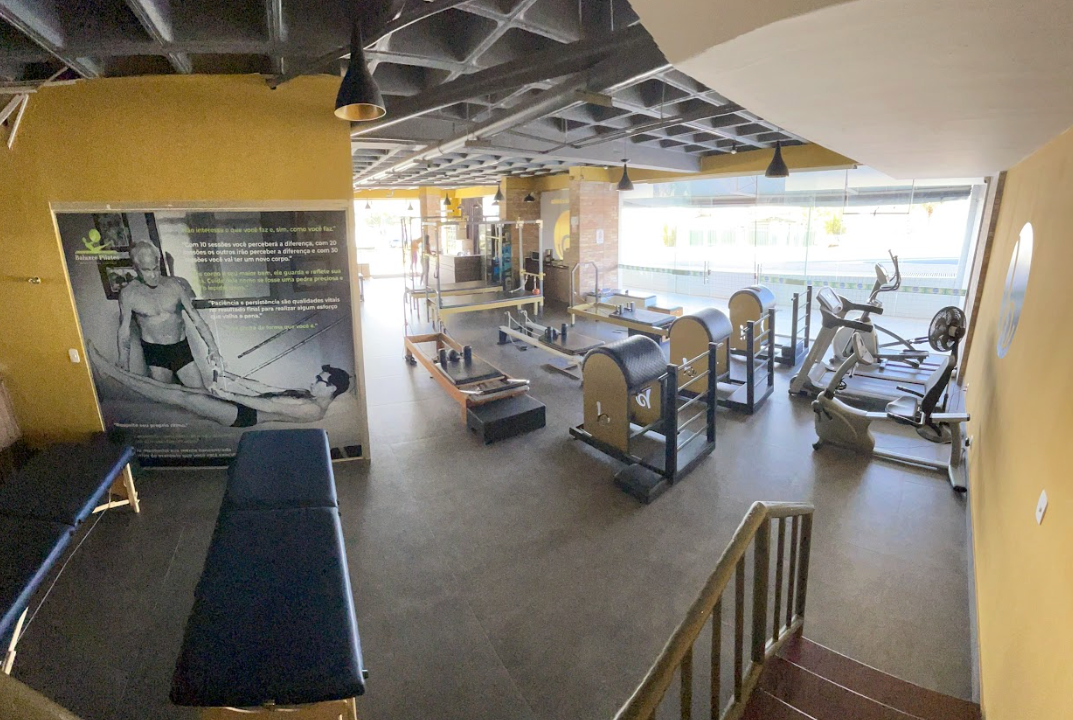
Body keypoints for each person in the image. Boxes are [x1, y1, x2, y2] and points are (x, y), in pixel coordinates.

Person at [89, 344, 350, 428]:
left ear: (331, 389)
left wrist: (227, 394)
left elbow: (268, 405)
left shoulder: (314, 410)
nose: (313, 381)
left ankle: (113, 374)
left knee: (181, 397)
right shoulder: (308, 396)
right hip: (241, 404)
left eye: (320, 380)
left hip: (243, 414)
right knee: (179, 390)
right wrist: (231, 377)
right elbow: (263, 388)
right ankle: (115, 373)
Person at [117, 241, 223, 389]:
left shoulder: (174, 286)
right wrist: (124, 363)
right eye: (146, 270)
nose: (153, 275)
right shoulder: (128, 294)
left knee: (201, 394)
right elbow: (124, 332)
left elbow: (197, 319)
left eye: (155, 268)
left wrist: (213, 349)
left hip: (180, 349)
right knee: (167, 397)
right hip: (155, 353)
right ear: (135, 268)